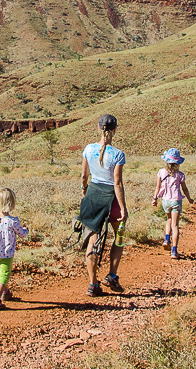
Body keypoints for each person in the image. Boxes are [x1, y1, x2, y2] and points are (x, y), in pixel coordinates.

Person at [77, 114, 128, 296]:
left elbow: (84, 176)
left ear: (98, 128)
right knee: (119, 235)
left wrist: (85, 190)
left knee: (93, 240)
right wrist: (122, 207)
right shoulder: (118, 154)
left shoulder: (88, 149)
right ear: (114, 130)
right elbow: (117, 183)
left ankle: (93, 284)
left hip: (93, 196)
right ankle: (112, 275)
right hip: (111, 199)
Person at [151, 148, 193, 259]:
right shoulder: (180, 175)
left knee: (168, 219)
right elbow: (185, 189)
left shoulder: (161, 172)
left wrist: (154, 198)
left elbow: (158, 187)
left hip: (165, 200)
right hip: (176, 201)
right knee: (175, 225)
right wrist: (189, 199)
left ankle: (166, 239)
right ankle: (174, 250)